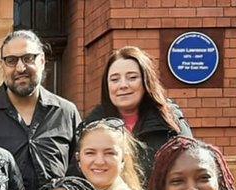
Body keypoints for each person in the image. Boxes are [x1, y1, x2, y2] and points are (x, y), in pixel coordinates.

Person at [0, 30, 81, 190]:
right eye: (11, 60)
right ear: (2, 65)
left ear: (42, 61)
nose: (20, 68)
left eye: (28, 58)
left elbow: (81, 172)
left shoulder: (66, 112)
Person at [81, 46, 193, 180]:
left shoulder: (171, 123)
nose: (123, 85)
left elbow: (190, 169)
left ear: (146, 81)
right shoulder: (92, 125)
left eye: (132, 77)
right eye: (115, 79)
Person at [75, 118, 150, 190]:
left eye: (109, 153)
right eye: (90, 153)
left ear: (123, 159)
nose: (99, 161)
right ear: (78, 158)